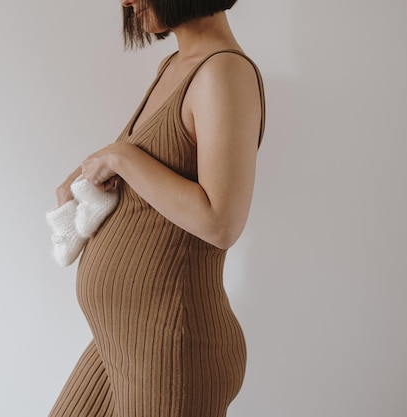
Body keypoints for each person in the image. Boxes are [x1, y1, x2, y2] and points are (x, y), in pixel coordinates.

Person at [49, 0, 265, 416]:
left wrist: (121, 157)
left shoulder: (225, 73)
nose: (127, 1)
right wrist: (84, 176)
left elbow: (222, 222)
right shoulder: (174, 65)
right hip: (121, 343)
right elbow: (148, 179)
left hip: (172, 351)